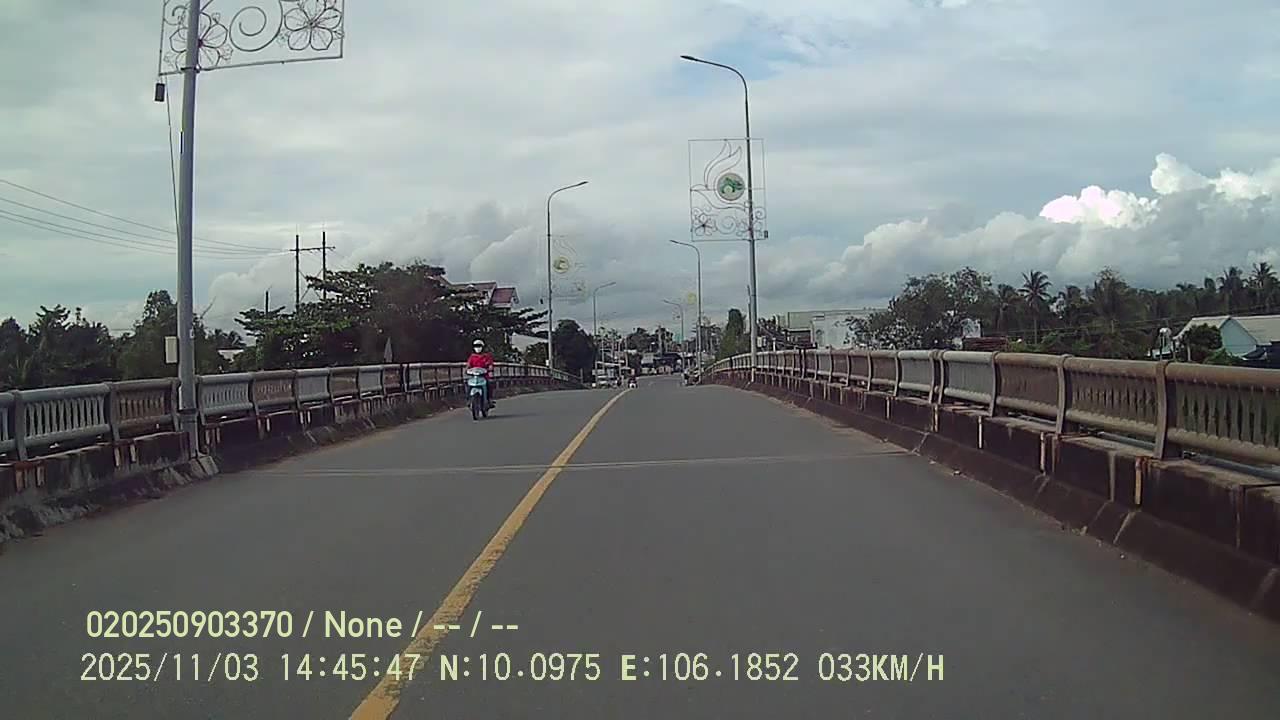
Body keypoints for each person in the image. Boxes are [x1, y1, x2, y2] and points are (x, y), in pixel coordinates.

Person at [466, 339, 496, 408]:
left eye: (479, 346)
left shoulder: (486, 356)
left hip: (484, 376)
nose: (477, 347)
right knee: (468, 385)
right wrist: (467, 370)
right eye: (476, 346)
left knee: (489, 384)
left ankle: (489, 399)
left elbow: (490, 365)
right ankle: (468, 399)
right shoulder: (472, 357)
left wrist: (490, 369)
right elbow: (468, 366)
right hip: (474, 377)